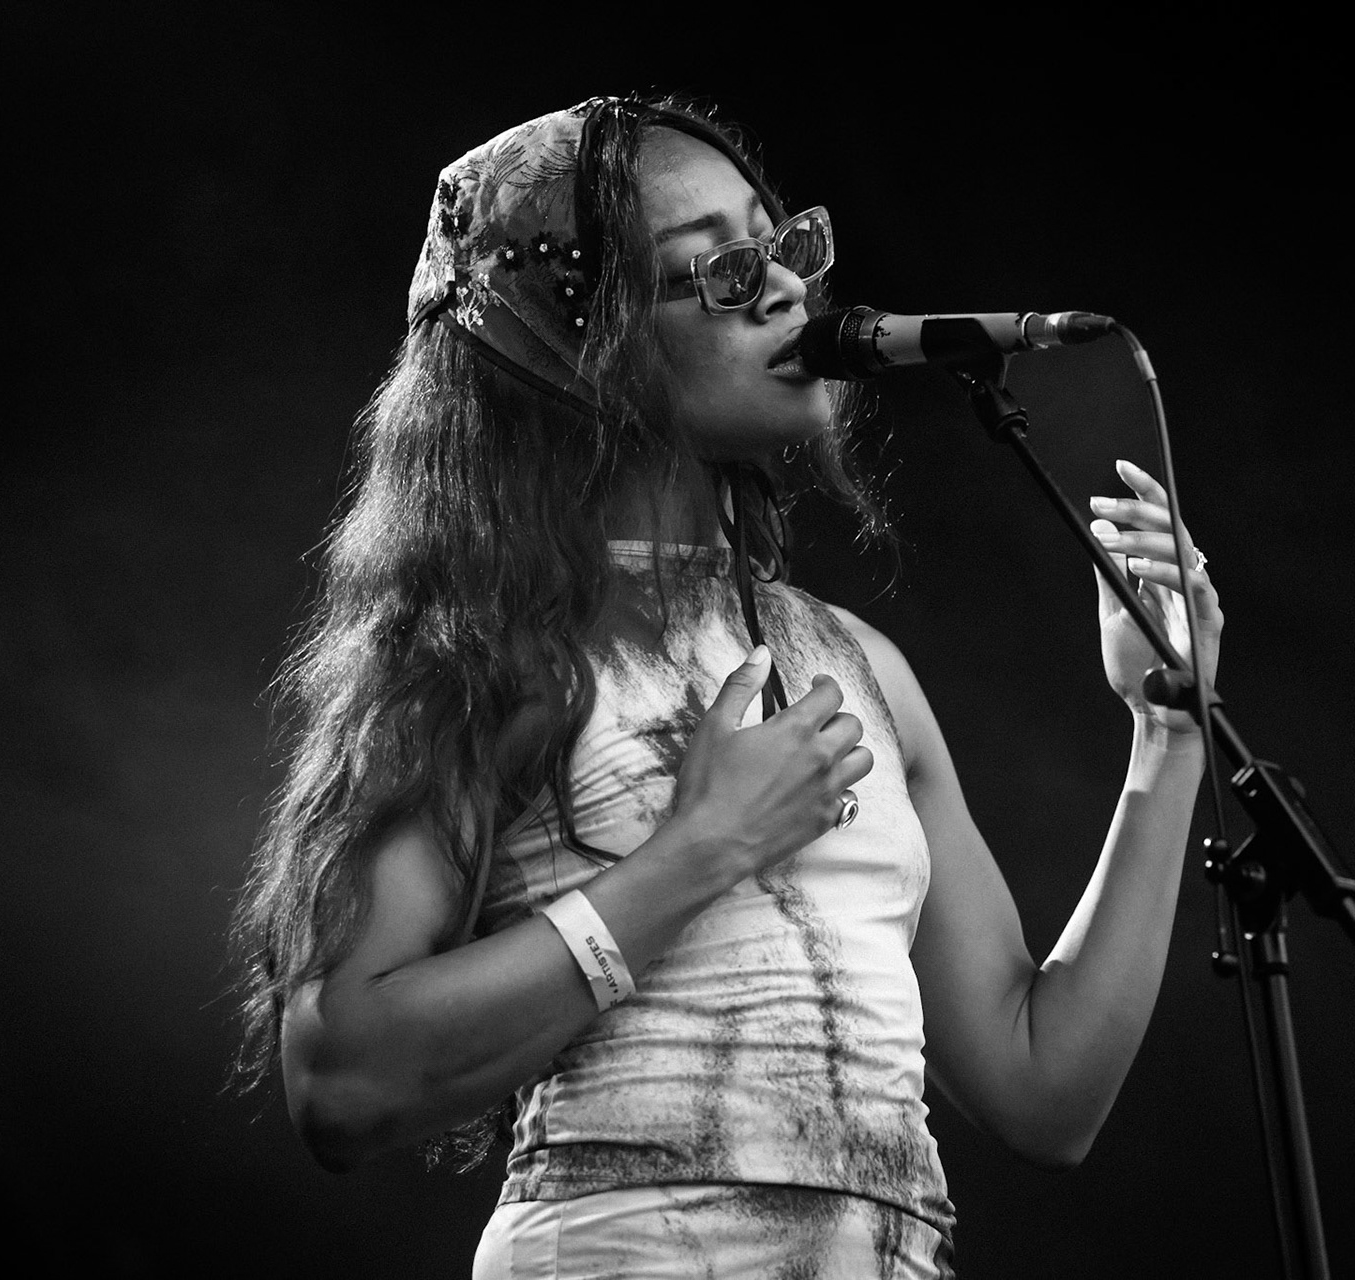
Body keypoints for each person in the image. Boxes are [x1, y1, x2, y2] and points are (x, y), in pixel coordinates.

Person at [231, 94, 1223, 1279]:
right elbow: (340, 1076)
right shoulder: (478, 656)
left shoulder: (863, 668)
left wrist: (1165, 736)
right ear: (570, 343)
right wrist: (700, 848)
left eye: (783, 243)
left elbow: (1043, 1088)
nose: (787, 290)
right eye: (714, 268)